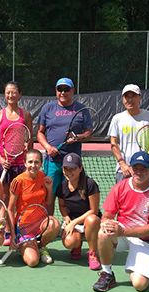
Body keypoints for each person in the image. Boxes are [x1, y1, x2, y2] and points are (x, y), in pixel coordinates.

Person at [92, 151, 149, 292]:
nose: (138, 172)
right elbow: (108, 214)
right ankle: (107, 273)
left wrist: (124, 232)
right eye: (135, 168)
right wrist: (106, 223)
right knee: (103, 232)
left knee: (139, 285)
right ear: (130, 168)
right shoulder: (120, 186)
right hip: (122, 233)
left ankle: (140, 266)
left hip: (145, 240)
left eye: (144, 169)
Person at [36, 77, 93, 214]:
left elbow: (89, 134)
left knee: (71, 195)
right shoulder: (47, 108)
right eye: (59, 89)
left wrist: (77, 137)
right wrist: (48, 148)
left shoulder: (81, 109)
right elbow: (40, 133)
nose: (63, 92)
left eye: (66, 89)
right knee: (50, 195)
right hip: (52, 162)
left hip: (72, 163)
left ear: (72, 91)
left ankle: (69, 223)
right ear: (56, 91)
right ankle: (49, 224)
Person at [0, 81, 34, 245]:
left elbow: (30, 141)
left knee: (21, 199)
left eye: (14, 92)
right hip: (3, 164)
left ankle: (20, 228)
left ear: (20, 94)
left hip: (21, 165)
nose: (10, 95)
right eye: (7, 92)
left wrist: (28, 160)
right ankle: (7, 231)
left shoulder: (26, 115)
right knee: (5, 198)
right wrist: (0, 159)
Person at [8, 149, 61, 267]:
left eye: (36, 162)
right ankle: (25, 245)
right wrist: (12, 235)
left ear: (41, 164)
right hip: (24, 226)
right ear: (25, 163)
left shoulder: (43, 176)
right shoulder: (18, 181)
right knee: (32, 261)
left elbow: (48, 202)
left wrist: (49, 187)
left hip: (41, 222)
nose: (33, 165)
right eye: (30, 162)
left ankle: (41, 246)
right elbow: (10, 209)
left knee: (54, 224)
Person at [56, 153, 101, 270]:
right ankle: (77, 245)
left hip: (91, 222)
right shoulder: (62, 186)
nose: (69, 172)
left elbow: (94, 210)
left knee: (91, 220)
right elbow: (62, 206)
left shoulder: (90, 184)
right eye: (66, 168)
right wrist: (67, 219)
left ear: (80, 169)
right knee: (69, 242)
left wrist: (74, 222)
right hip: (73, 222)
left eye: (73, 168)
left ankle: (92, 254)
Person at [108, 84, 149, 182]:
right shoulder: (117, 119)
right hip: (123, 170)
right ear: (123, 99)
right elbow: (113, 143)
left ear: (139, 98)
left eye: (133, 96)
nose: (130, 100)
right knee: (122, 197)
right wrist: (122, 164)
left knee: (144, 197)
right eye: (127, 97)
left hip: (144, 170)